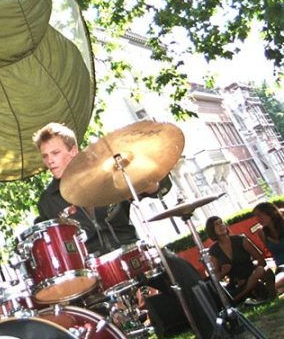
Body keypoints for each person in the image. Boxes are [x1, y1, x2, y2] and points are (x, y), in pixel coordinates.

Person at [33, 122, 213, 339]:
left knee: (181, 270)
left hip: (133, 253)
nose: (49, 160)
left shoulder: (108, 172)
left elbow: (161, 187)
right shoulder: (47, 201)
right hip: (93, 271)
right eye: (45, 156)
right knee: (81, 317)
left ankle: (214, 332)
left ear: (73, 151)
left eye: (55, 153)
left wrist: (150, 183)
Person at [205, 216, 276, 303]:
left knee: (261, 270)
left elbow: (261, 260)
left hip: (252, 274)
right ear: (212, 229)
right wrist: (223, 272)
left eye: (221, 222)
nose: (221, 225)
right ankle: (250, 291)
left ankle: (238, 297)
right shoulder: (214, 250)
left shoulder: (241, 240)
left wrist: (249, 276)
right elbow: (216, 278)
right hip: (236, 283)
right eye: (217, 224)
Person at [252, 202, 284, 293]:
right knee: (277, 286)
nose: (258, 219)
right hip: (281, 266)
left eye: (260, 215)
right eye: (256, 216)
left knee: (276, 286)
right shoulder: (261, 232)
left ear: (270, 213)